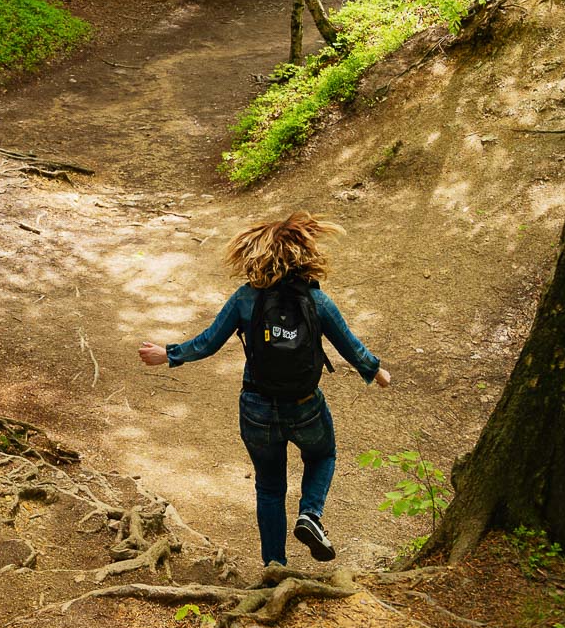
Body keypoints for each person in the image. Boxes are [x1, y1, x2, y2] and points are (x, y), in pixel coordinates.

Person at [137, 212, 390, 568]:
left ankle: (275, 566)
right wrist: (375, 371)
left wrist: (168, 354)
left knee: (270, 488)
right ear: (303, 253)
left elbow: (209, 342)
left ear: (255, 254)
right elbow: (349, 346)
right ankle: (310, 515)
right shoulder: (317, 301)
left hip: (256, 408)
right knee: (322, 456)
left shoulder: (246, 299)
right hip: (304, 406)